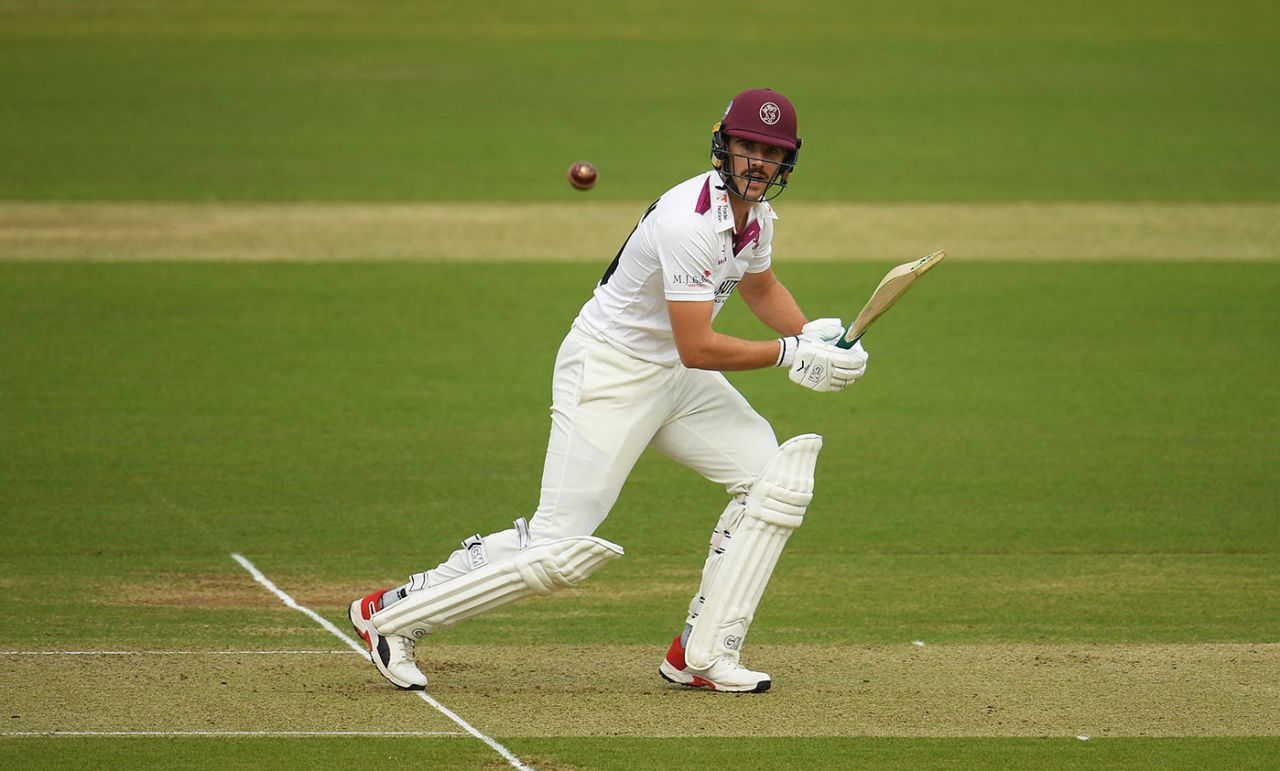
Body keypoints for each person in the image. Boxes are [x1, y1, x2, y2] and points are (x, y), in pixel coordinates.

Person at [350, 88, 869, 693]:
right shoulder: (689, 221)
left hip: (677, 378)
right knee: (559, 546)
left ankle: (701, 653)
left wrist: (813, 338)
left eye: (772, 153)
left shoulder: (755, 218)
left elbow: (760, 288)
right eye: (748, 147)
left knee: (772, 484)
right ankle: (391, 615)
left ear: (787, 162)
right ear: (723, 146)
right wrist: (789, 353)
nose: (758, 162)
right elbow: (697, 345)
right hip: (609, 371)